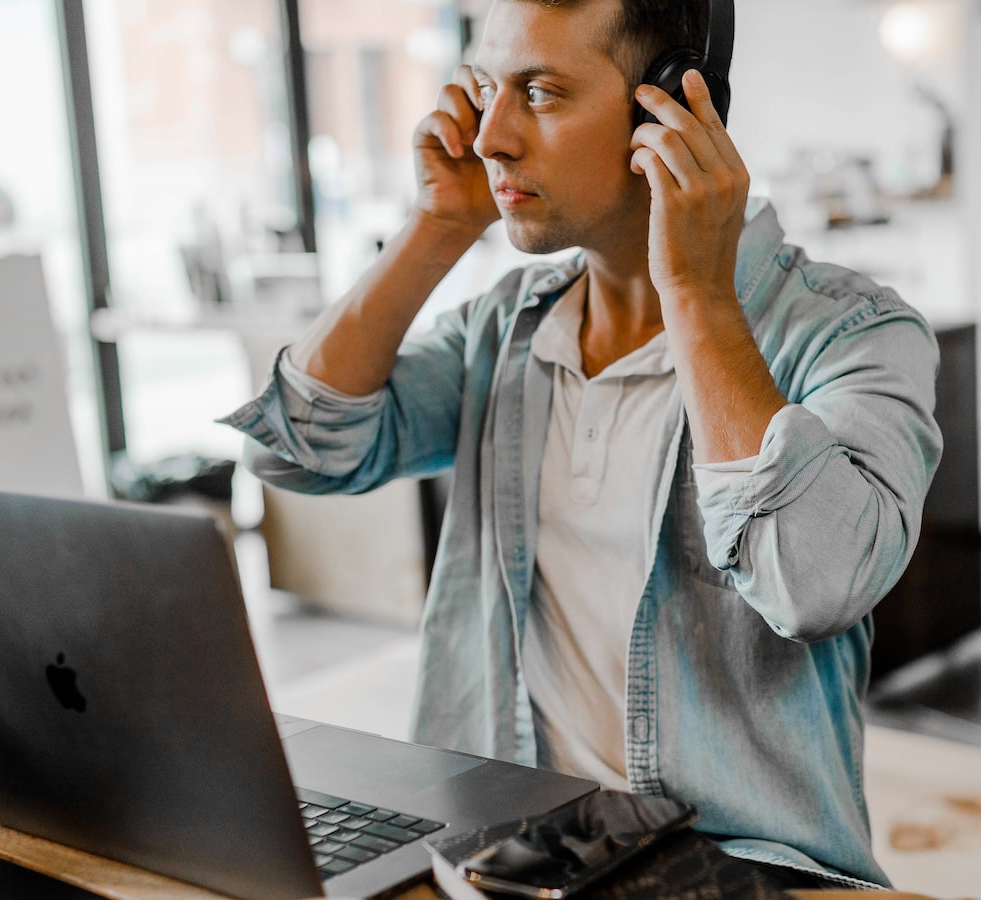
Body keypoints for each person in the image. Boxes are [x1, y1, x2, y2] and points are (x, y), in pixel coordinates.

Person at [220, 0, 940, 889]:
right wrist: (437, 229)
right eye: (487, 90)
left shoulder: (853, 334)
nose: (489, 138)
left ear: (673, 105)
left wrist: (698, 295)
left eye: (541, 93)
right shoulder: (506, 331)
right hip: (500, 856)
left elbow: (818, 582)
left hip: (736, 871)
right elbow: (297, 451)